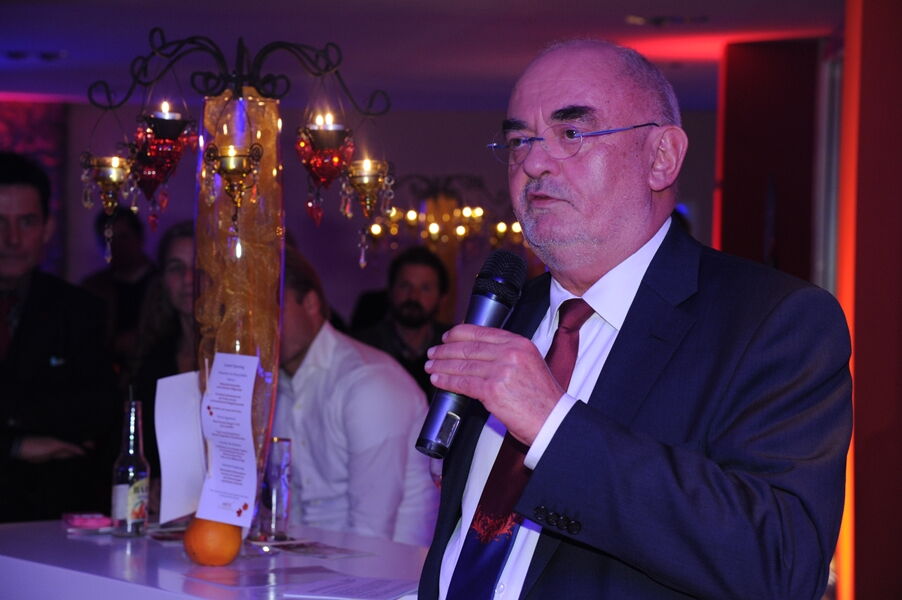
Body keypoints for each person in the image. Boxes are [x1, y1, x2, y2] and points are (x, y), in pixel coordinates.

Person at [419, 40, 852, 599]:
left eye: (571, 133)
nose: (533, 163)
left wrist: (553, 425)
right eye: (520, 140)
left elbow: (782, 565)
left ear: (662, 157)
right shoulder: (507, 313)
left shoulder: (774, 323)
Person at [273, 248, 438, 546]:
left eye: (271, 309)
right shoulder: (278, 383)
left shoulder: (367, 382)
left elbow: (371, 532)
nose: (259, 325)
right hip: (310, 558)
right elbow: (289, 508)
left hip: (388, 567)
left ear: (310, 303)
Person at [0, 151, 117, 522]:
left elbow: (96, 414)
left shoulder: (79, 310)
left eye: (27, 222)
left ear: (47, 228)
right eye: (0, 222)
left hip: (48, 516)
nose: (12, 239)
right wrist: (17, 444)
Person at [131, 220, 196, 504]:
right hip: (167, 512)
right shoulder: (153, 359)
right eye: (176, 268)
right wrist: (152, 483)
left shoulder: (237, 355)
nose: (188, 279)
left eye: (198, 266)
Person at [354, 245, 451, 397]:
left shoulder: (451, 348)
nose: (413, 296)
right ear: (390, 290)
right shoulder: (363, 347)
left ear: (442, 298)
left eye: (425, 288)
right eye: (405, 286)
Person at [82, 207, 157, 385]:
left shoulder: (164, 285)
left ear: (139, 238)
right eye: (109, 240)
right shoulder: (93, 288)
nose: (117, 246)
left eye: (123, 237)